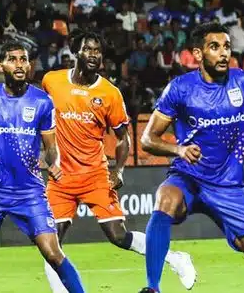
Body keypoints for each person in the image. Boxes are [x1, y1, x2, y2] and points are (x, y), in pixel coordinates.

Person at [138, 22, 244, 293]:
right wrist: (178, 150)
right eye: (214, 47)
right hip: (188, 177)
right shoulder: (180, 88)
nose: (223, 53)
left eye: (226, 46)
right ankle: (152, 288)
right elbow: (147, 139)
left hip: (228, 187)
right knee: (166, 198)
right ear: (198, 54)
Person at [41, 29, 196, 292]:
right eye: (88, 49)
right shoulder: (52, 81)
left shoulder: (109, 93)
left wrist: (120, 169)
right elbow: (41, 119)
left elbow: (123, 138)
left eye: (97, 51)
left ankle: (174, 258)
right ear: (76, 52)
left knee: (118, 235)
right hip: (61, 178)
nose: (93, 55)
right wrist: (47, 158)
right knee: (50, 245)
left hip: (95, 175)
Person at [0, 41, 86, 293]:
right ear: (0, 66)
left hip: (29, 192)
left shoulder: (42, 101)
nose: (19, 64)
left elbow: (51, 146)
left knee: (54, 254)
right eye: (12, 59)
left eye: (23, 59)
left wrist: (54, 163)